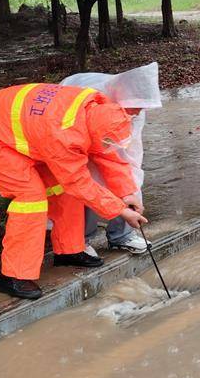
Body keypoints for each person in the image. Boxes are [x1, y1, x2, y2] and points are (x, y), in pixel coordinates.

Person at [0, 82, 148, 300]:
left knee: (62, 188)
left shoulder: (98, 111)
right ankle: (12, 276)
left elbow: (106, 154)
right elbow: (79, 183)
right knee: (31, 197)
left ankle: (69, 251)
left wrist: (127, 193)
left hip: (26, 130)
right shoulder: (65, 134)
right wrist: (121, 211)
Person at [61, 63, 160, 256]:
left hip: (100, 132)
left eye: (142, 107)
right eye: (136, 107)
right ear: (122, 100)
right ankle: (81, 239)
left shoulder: (135, 108)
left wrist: (130, 194)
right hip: (74, 132)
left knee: (127, 178)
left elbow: (128, 157)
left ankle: (122, 235)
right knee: (86, 181)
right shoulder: (90, 96)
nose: (139, 112)